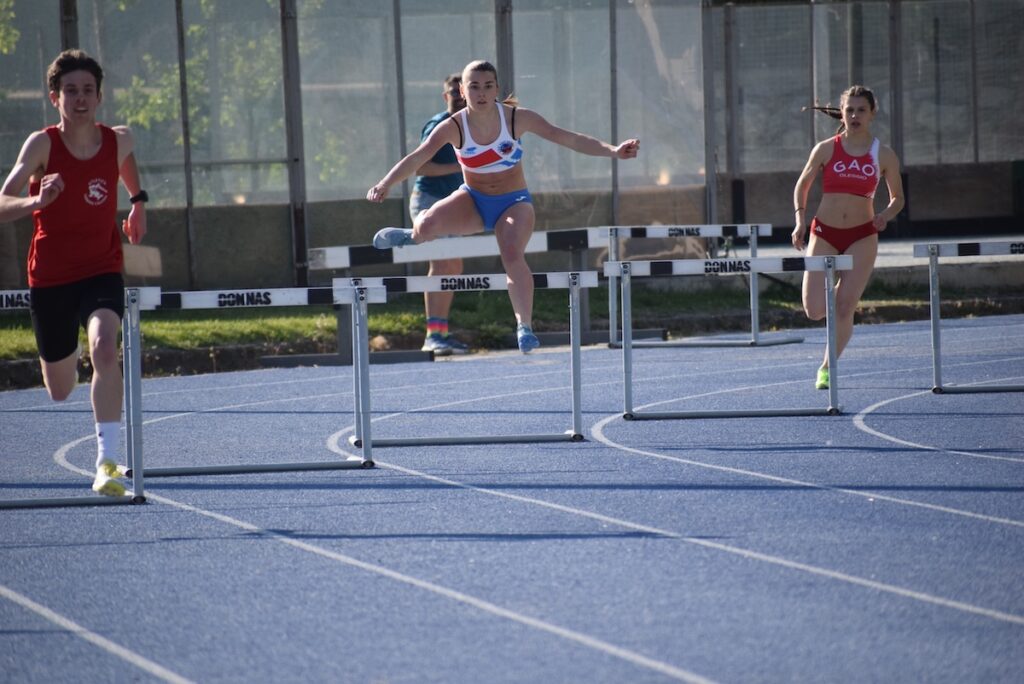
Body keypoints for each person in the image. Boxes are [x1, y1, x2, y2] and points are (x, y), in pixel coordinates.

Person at [368, 59, 639, 353]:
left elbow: (567, 138)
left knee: (511, 252)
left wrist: (613, 151)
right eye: (474, 87)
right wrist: (385, 183)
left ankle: (524, 325)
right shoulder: (453, 127)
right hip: (473, 200)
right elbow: (417, 158)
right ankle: (411, 236)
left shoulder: (516, 119)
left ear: (496, 88)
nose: (481, 93)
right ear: (462, 90)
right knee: (427, 224)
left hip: (514, 203)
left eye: (487, 86)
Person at [0, 49, 148, 496]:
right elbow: (2, 202)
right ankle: (73, 371)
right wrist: (35, 202)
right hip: (50, 277)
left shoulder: (119, 138)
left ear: (99, 96)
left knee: (106, 348)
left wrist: (139, 203)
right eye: (70, 91)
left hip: (102, 267)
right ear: (55, 98)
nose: (79, 98)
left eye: (87, 90)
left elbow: (128, 169)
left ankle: (107, 462)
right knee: (60, 389)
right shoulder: (42, 145)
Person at [791, 85, 904, 389]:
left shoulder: (884, 154)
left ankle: (827, 367)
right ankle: (840, 290)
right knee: (814, 310)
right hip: (824, 232)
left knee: (844, 308)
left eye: (861, 110)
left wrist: (885, 216)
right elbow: (802, 185)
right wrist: (800, 221)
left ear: (872, 114)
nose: (855, 115)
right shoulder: (826, 148)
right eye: (849, 110)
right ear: (841, 113)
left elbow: (898, 199)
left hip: (862, 235)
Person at [412, 73, 470, 356]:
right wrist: (459, 168)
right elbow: (420, 167)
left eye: (461, 92)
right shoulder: (439, 126)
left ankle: (441, 332)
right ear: (445, 96)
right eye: (452, 93)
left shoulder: (473, 123)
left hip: (454, 204)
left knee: (454, 267)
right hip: (429, 200)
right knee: (443, 264)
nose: (458, 98)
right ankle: (433, 335)